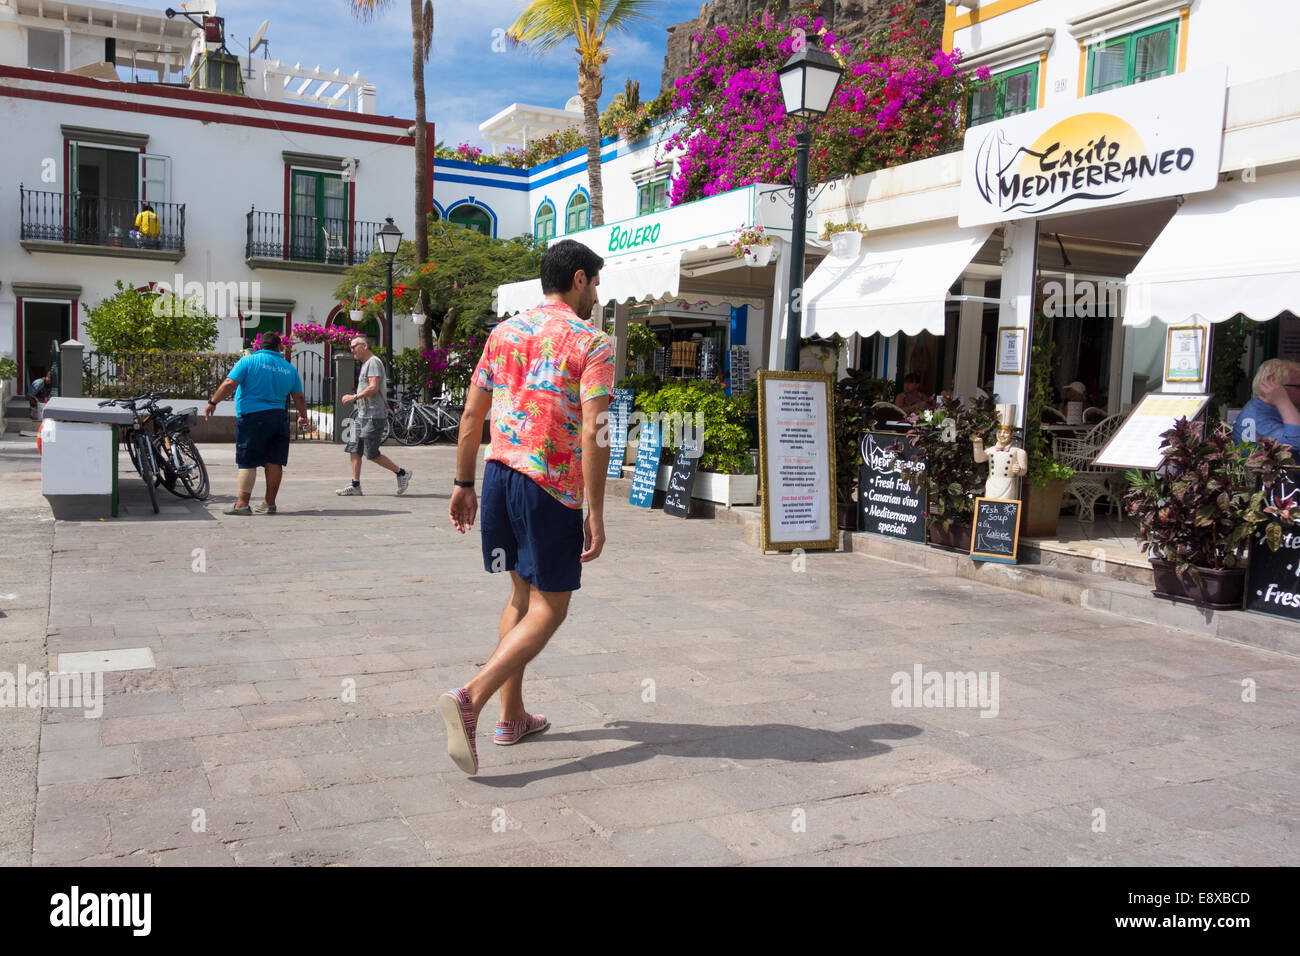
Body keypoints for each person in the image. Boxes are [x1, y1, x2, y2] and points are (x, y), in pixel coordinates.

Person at [440, 239, 614, 775]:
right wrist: (597, 512)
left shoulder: (504, 332)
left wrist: (463, 482)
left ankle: (512, 717)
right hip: (550, 486)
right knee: (552, 605)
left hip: (498, 475)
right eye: (596, 284)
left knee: (520, 590)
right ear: (580, 279)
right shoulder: (593, 341)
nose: (597, 295)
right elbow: (594, 430)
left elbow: (472, 417)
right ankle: (473, 695)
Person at [205, 332, 308, 515]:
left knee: (248, 461)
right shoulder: (289, 368)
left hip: (252, 418)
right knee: (275, 461)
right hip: (278, 418)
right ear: (279, 348)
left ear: (259, 346)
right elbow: (298, 396)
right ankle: (269, 503)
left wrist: (213, 402)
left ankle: (242, 505)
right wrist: (303, 416)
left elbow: (229, 384)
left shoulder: (248, 361)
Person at [336, 336, 412, 496]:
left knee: (371, 453)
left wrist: (354, 397)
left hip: (374, 415)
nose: (351, 350)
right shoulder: (365, 365)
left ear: (364, 346)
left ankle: (401, 473)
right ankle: (355, 485)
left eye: (353, 346)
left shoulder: (373, 362)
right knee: (354, 448)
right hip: (362, 415)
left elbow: (374, 387)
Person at [1233, 358, 1300, 447]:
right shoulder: (1259, 417)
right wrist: (1283, 402)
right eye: (1299, 386)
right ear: (1277, 388)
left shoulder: (1262, 408)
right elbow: (1296, 441)